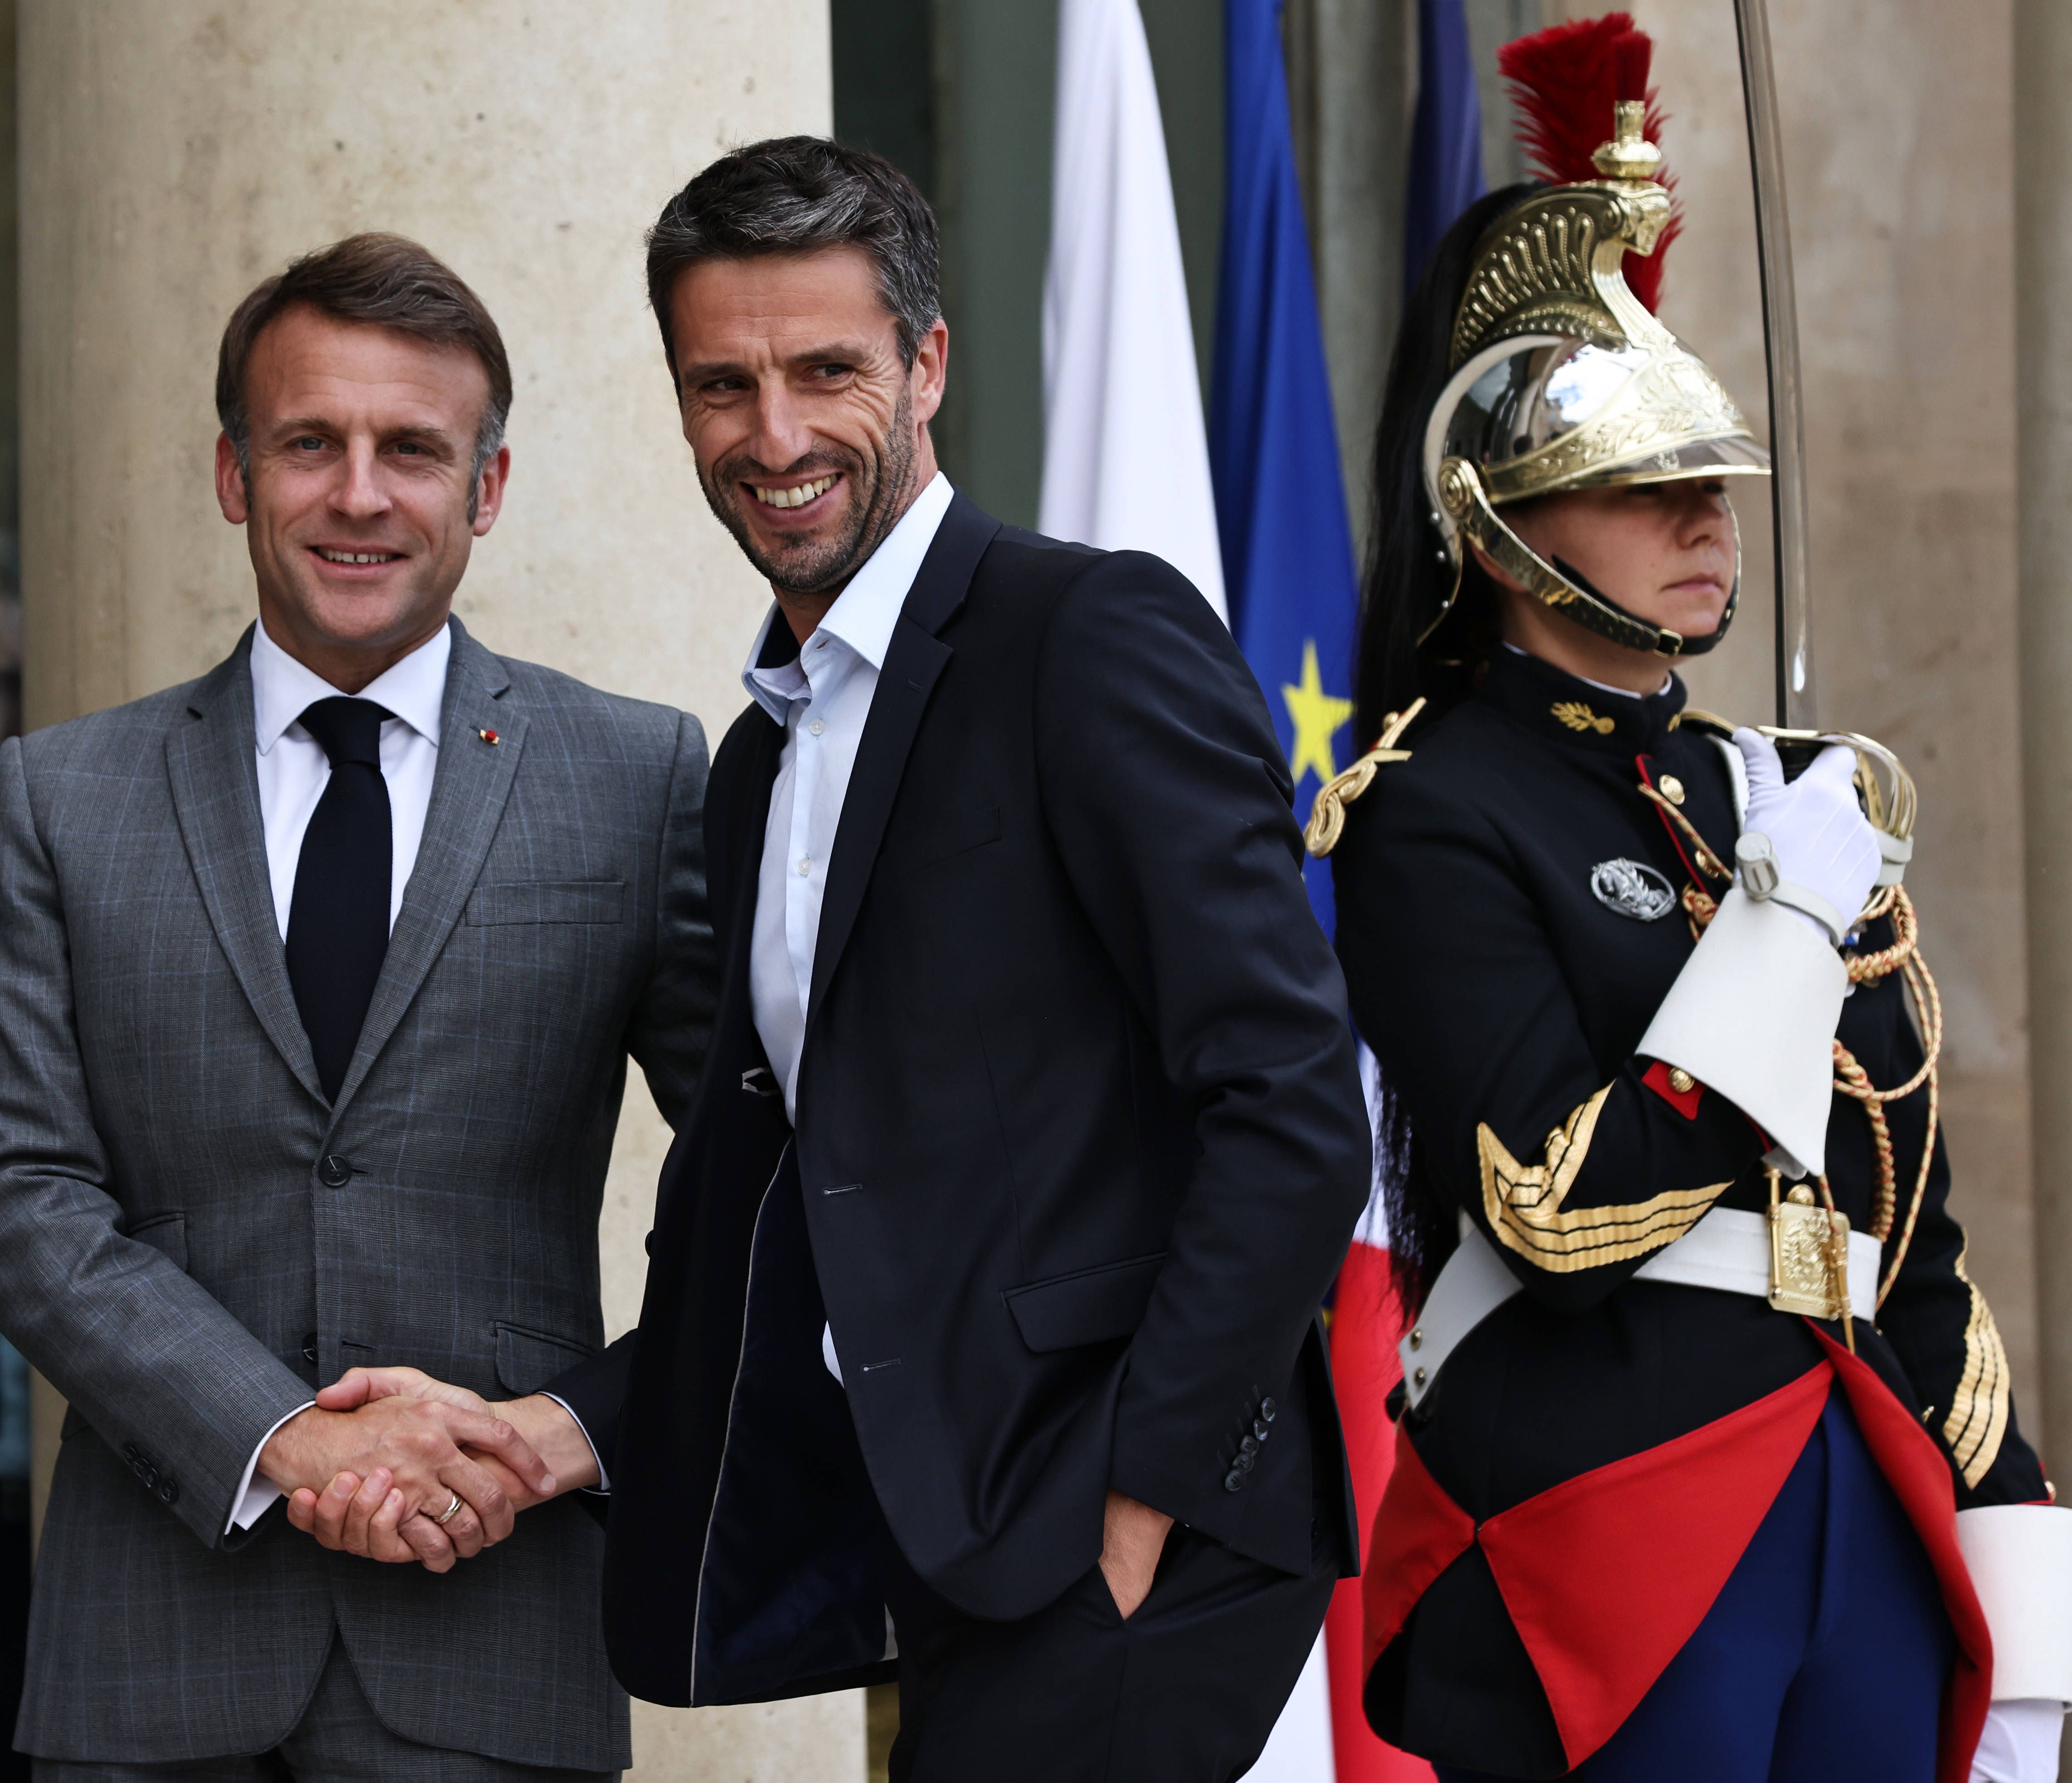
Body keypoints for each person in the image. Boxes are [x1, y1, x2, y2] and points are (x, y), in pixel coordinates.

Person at [290, 138, 1371, 1781]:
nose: (774, 437)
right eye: (722, 385)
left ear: (926, 366)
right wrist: (563, 1431)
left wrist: (1145, 1492)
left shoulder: (1084, 638)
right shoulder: (759, 762)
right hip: (950, 1539)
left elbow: (1290, 1098)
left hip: (1120, 1534)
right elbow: (789, 1212)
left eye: (825, 372)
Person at [1317, 20, 2072, 1783]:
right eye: (1638, 486)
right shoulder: (1432, 808)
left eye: (1710, 484)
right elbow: (1554, 1195)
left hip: (1862, 1485)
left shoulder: (1777, 793)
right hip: (1611, 1498)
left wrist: (2015, 1582)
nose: (1701, 522)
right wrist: (1779, 933)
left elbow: (1910, 1214)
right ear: (1498, 520)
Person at [0, 232, 714, 1782]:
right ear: (236, 475)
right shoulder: (63, 796)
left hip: (492, 1628)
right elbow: (13, 1190)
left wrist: (571, 1427)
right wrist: (287, 1437)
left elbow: (764, 1186)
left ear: (484, 490)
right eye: (311, 443)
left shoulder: (636, 780)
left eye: (411, 450)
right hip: (148, 1663)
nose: (359, 494)